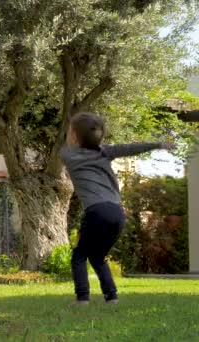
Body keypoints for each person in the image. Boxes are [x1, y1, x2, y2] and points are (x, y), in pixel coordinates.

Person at [60, 112, 174, 304]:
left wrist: (74, 133)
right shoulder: (105, 152)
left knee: (79, 255)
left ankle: (82, 299)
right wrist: (158, 144)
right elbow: (130, 148)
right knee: (97, 256)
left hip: (96, 211)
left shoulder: (68, 155)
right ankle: (112, 297)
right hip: (117, 213)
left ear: (73, 136)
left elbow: (68, 146)